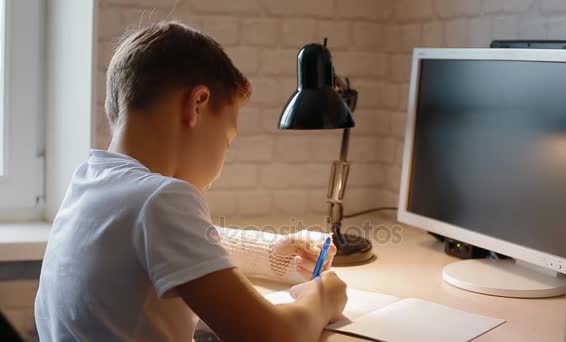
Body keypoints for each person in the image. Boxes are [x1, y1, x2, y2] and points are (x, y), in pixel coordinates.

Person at [34, 21, 347, 342]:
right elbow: (274, 337)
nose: (221, 166)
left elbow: (160, 246)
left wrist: (272, 255)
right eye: (227, 139)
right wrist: (323, 298)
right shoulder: (160, 199)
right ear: (197, 104)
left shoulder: (91, 181)